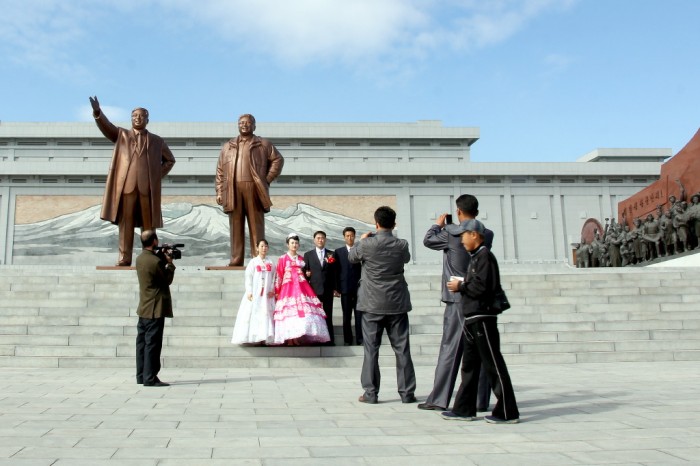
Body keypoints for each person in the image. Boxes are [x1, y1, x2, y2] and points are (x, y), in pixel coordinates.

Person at [419, 194, 494, 412]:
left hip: (456, 299)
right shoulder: (487, 234)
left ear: (458, 211)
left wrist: (437, 224)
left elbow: (428, 240)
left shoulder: (451, 233)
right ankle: (480, 401)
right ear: (477, 212)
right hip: (478, 298)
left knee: (450, 349)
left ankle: (439, 398)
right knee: (479, 350)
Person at [443, 219, 520, 423]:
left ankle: (507, 411)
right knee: (469, 366)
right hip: (472, 317)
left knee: (493, 365)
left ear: (474, 235)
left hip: (482, 317)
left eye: (463, 235)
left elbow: (482, 288)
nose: (461, 241)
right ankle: (463, 409)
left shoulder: (485, 256)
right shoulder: (476, 257)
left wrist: (461, 286)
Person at [89, 96, 176, 266]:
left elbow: (170, 160)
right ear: (131, 118)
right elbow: (107, 128)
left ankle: (150, 259)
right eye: (134, 115)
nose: (137, 118)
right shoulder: (122, 135)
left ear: (147, 119)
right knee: (126, 224)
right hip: (127, 187)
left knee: (149, 226)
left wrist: (155, 176)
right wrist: (98, 113)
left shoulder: (157, 141)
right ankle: (124, 258)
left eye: (141, 116)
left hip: (146, 189)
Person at [349, 206, 416, 404]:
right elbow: (406, 259)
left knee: (371, 349)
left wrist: (361, 241)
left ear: (376, 223)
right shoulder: (401, 244)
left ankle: (370, 393)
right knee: (402, 349)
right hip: (397, 303)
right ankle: (407, 393)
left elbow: (352, 257)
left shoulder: (367, 244)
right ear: (394, 224)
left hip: (371, 304)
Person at [215, 114, 284, 266]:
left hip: (254, 188)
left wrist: (267, 179)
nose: (244, 125)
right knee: (235, 224)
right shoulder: (228, 146)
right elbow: (220, 171)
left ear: (254, 125)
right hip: (233, 189)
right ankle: (236, 259)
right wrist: (220, 192)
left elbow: (278, 160)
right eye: (241, 123)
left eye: (248, 123)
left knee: (256, 224)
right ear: (237, 125)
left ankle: (257, 258)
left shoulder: (263, 144)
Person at [273, 233, 330, 346]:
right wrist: (277, 291)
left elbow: (306, 272)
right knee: (289, 313)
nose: (294, 245)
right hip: (287, 290)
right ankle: (289, 338)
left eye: (296, 243)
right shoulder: (283, 259)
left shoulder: (301, 259)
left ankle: (297, 336)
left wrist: (308, 274)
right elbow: (279, 275)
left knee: (302, 313)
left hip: (302, 289)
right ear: (287, 245)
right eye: (292, 243)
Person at [135, 230, 175, 387]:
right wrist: (169, 263)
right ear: (154, 241)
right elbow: (166, 280)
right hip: (155, 308)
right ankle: (150, 377)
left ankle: (141, 375)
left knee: (142, 344)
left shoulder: (140, 259)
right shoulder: (155, 262)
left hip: (144, 307)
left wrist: (160, 256)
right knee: (153, 344)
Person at [231, 239, 276, 345]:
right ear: (257, 248)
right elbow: (248, 277)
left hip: (267, 294)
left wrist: (272, 290)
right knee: (255, 314)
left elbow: (275, 277)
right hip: (256, 293)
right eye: (261, 246)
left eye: (266, 246)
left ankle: (266, 338)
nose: (264, 248)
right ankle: (255, 337)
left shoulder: (271, 262)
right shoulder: (253, 262)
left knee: (267, 313)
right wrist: (249, 291)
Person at [303, 231, 337, 345]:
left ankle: (330, 340)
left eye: (322, 238)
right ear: (314, 240)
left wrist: (335, 288)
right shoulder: (308, 255)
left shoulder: (331, 254)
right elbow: (304, 272)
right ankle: (316, 339)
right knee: (316, 316)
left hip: (327, 289)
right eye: (318, 238)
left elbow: (335, 273)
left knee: (328, 314)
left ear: (325, 240)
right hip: (313, 290)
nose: (320, 240)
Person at [334, 227, 363, 346]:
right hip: (345, 288)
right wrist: (336, 288)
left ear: (355, 236)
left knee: (359, 316)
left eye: (351, 236)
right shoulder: (338, 252)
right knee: (346, 316)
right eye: (347, 236)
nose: (350, 238)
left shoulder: (360, 250)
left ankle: (360, 339)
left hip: (358, 288)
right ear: (344, 237)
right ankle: (347, 340)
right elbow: (336, 271)